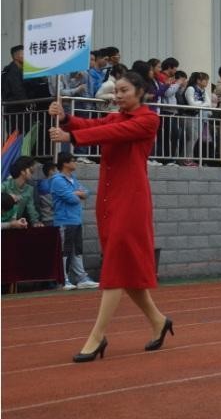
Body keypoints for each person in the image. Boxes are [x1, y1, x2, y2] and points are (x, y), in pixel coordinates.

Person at [48, 73, 173, 362]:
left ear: (140, 91)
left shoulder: (148, 120)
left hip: (131, 200)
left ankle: (97, 336)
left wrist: (71, 137)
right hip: (109, 198)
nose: (117, 95)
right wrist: (65, 118)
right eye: (116, 90)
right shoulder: (116, 117)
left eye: (124, 90)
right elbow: (93, 125)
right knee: (125, 268)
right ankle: (158, 321)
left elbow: (111, 133)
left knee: (115, 265)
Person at [49, 152, 99, 290]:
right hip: (64, 220)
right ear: (65, 163)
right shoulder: (57, 180)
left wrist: (77, 193)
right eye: (72, 160)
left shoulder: (73, 178)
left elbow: (87, 192)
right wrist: (77, 194)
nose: (75, 163)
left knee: (77, 250)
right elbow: (71, 199)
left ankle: (81, 278)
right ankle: (63, 279)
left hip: (76, 219)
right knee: (64, 250)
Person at [2, 156, 43, 228]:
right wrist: (9, 197)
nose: (32, 174)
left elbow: (31, 209)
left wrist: (36, 222)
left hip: (15, 225)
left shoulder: (29, 189)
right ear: (22, 171)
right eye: (31, 171)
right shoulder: (5, 186)